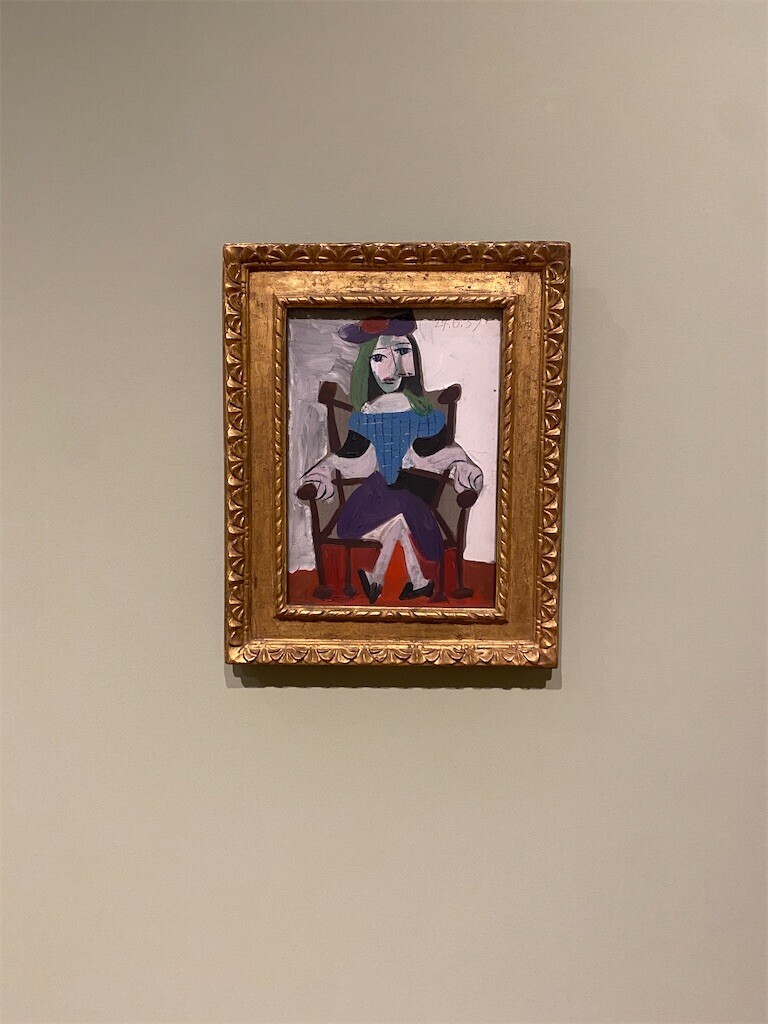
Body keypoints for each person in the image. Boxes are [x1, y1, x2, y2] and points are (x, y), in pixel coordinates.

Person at [301, 311, 483, 604]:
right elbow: (346, 458)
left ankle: (380, 578)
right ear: (367, 365)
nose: (392, 368)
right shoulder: (364, 417)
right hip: (377, 493)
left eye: (402, 352)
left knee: (400, 503)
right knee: (393, 514)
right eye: (379, 358)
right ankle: (416, 581)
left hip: (415, 491)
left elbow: (437, 458)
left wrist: (461, 467)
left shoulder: (428, 416)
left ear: (413, 361)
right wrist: (320, 475)